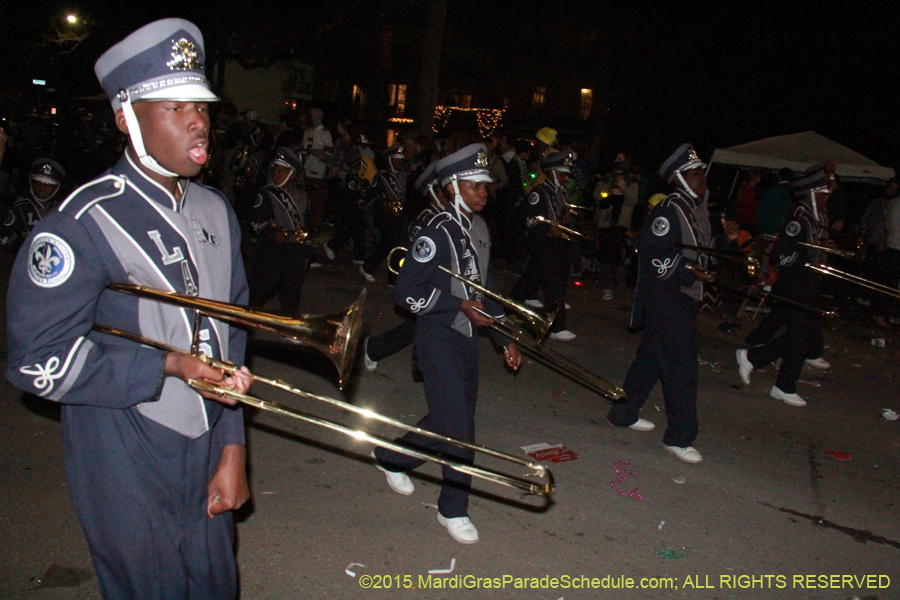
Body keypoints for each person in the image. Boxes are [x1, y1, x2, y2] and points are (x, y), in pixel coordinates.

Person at [4, 19, 253, 599]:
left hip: (209, 434)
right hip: (122, 443)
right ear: (127, 119)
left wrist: (233, 447)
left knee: (216, 587)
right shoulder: (82, 221)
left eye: (201, 104)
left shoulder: (216, 210)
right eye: (174, 106)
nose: (198, 120)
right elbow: (33, 360)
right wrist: (164, 365)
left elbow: (232, 331)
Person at [371, 143, 522, 545]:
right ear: (454, 187)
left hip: (468, 340)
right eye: (475, 186)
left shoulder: (481, 229)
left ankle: (390, 456)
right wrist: (458, 306)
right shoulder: (433, 232)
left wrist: (504, 338)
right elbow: (406, 293)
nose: (483, 193)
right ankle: (452, 507)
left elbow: (485, 291)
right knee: (460, 429)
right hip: (438, 337)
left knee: (444, 419)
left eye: (485, 186)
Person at [607, 144, 714, 464]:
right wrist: (688, 270)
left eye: (701, 174)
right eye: (695, 175)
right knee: (681, 367)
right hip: (668, 297)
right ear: (679, 178)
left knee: (652, 358)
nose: (702, 180)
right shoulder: (669, 210)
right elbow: (653, 256)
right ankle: (680, 436)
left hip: (678, 295)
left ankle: (623, 413)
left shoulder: (693, 208)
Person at [736, 170, 831, 407]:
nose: (826, 196)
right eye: (824, 192)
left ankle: (755, 359)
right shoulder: (799, 218)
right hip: (795, 282)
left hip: (805, 282)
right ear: (812, 194)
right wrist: (805, 260)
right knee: (799, 336)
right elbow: (780, 255)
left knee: (802, 335)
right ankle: (781, 384)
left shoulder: (812, 217)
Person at [364, 161, 444, 373]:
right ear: (433, 193)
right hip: (423, 282)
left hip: (435, 281)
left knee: (427, 326)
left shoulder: (442, 218)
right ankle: (375, 348)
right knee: (417, 327)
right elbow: (411, 255)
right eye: (442, 191)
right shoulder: (426, 219)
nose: (448, 195)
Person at [508, 151, 577, 341]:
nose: (565, 178)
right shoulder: (539, 192)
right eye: (562, 174)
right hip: (540, 241)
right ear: (552, 172)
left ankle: (509, 306)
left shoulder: (559, 192)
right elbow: (528, 220)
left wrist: (564, 219)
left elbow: (556, 215)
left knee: (532, 276)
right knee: (552, 281)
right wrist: (548, 228)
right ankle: (556, 326)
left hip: (555, 241)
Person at [248, 147, 312, 316]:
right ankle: (248, 317)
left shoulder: (302, 195)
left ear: (292, 174)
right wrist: (272, 232)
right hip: (272, 251)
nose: (276, 175)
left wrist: (306, 253)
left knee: (292, 290)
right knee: (263, 287)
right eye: (275, 171)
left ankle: (287, 325)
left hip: (294, 251)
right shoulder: (266, 194)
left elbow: (307, 225)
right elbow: (255, 221)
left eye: (281, 172)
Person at [359, 144, 407, 283]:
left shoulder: (404, 175)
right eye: (396, 159)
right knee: (388, 244)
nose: (400, 162)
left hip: (399, 216)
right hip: (386, 216)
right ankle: (369, 267)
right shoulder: (382, 177)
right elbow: (371, 195)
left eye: (401, 159)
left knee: (397, 246)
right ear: (390, 160)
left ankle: (392, 277)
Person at [0, 157, 67, 253]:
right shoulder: (20, 208)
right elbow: (5, 237)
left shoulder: (61, 211)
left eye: (47, 185)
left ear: (55, 188)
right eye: (38, 183)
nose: (41, 187)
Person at [755, 167, 795, 236]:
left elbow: (761, 213)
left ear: (779, 176)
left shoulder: (771, 192)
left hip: (767, 231)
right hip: (784, 234)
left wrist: (759, 230)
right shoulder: (794, 194)